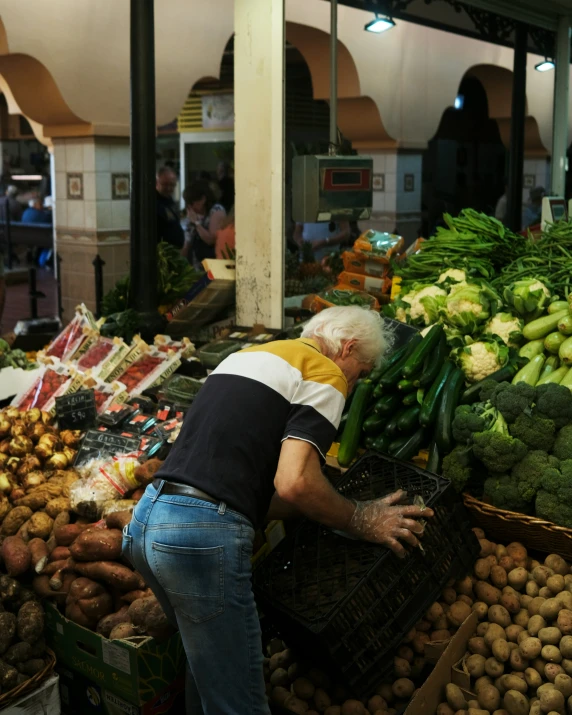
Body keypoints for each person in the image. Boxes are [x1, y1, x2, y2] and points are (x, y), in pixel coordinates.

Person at [122, 306, 432, 714]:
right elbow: (296, 482)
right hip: (198, 538)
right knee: (240, 703)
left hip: (148, 522)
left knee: (208, 682)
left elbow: (258, 486)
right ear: (348, 347)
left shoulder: (246, 358)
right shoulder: (325, 370)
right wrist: (360, 517)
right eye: (362, 371)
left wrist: (324, 507)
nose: (355, 383)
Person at [181, 180, 226, 269]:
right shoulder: (194, 214)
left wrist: (197, 223)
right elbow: (187, 243)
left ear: (202, 199)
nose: (190, 207)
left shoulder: (216, 210)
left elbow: (211, 240)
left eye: (192, 203)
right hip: (197, 264)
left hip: (213, 264)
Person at [156, 167, 184, 249]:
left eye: (172, 184)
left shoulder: (169, 200)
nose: (169, 188)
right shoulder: (151, 202)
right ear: (156, 183)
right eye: (165, 184)